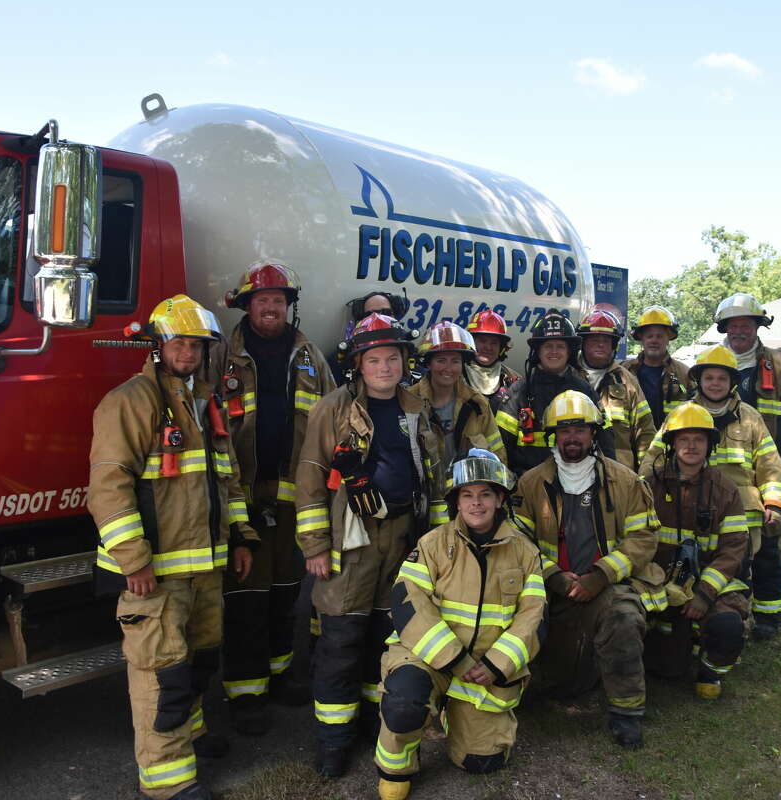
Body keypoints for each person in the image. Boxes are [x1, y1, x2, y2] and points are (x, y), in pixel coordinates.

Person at [88, 295, 257, 800]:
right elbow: (108, 488)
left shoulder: (205, 403)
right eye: (179, 343)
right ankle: (167, 781)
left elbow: (226, 480)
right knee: (163, 676)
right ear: (158, 346)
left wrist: (241, 537)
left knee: (198, 662)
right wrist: (134, 560)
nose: (188, 352)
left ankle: (192, 736)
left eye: (197, 345)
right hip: (155, 574)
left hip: (204, 565)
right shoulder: (131, 401)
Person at [295, 312, 447, 778]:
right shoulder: (333, 408)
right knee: (341, 641)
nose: (385, 367)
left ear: (405, 361)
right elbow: (310, 477)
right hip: (352, 541)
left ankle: (368, 723)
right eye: (375, 359)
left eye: (392, 358)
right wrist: (315, 545)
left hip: (403, 538)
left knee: (385, 637)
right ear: (358, 365)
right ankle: (333, 742)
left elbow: (434, 479)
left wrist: (436, 544)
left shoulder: (416, 407)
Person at [208, 261, 337, 734]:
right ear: (247, 305)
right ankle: (246, 694)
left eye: (278, 301)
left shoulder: (309, 356)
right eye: (262, 300)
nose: (270, 308)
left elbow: (333, 416)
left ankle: (280, 676)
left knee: (285, 592)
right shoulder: (221, 356)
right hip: (240, 497)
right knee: (246, 597)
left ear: (288, 306)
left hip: (292, 500)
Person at [373, 449, 546, 800]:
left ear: (500, 499)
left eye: (485, 494)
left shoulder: (525, 552)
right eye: (467, 495)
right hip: (429, 658)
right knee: (404, 703)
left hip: (485, 670)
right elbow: (407, 601)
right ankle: (397, 766)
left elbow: (534, 617)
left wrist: (496, 665)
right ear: (457, 502)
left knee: (483, 763)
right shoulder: (432, 544)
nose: (476, 503)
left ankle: (455, 714)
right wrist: (454, 659)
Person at [512, 391, 667, 750]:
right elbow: (519, 543)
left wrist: (601, 576)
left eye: (580, 430)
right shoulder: (531, 485)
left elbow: (643, 537)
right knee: (562, 682)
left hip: (606, 587)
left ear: (594, 433)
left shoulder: (625, 481)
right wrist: (553, 576)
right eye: (564, 430)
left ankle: (626, 713)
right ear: (553, 436)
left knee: (624, 616)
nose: (572, 438)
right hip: (550, 591)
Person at [647, 345, 781, 640]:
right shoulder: (682, 415)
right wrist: (640, 495)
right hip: (688, 506)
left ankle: (745, 620)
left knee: (742, 567)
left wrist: (774, 503)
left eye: (722, 378)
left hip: (743, 513)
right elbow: (655, 458)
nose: (715, 384)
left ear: (732, 382)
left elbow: (770, 464)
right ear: (699, 380)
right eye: (709, 378)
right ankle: (691, 625)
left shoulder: (750, 417)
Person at [713, 293, 781, 638]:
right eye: (733, 325)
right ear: (724, 328)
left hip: (768, 469)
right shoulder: (713, 361)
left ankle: (768, 615)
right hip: (726, 473)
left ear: (757, 327)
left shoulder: (776, 364)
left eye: (746, 325)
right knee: (726, 544)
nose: (739, 331)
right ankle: (729, 611)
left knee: (767, 544)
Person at [642, 403, 751, 700]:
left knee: (727, 625)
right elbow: (636, 541)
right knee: (667, 668)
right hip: (658, 584)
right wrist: (657, 586)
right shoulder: (649, 487)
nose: (691, 446)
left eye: (699, 439)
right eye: (684, 439)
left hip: (708, 583)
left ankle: (710, 671)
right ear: (672, 444)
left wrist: (704, 593)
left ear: (709, 445)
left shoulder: (726, 491)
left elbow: (733, 550)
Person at [496, 310, 612, 477]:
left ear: (569, 352)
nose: (554, 352)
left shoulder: (584, 390)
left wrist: (608, 480)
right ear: (538, 351)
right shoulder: (519, 391)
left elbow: (605, 440)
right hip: (528, 483)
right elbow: (501, 445)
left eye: (560, 346)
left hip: (577, 482)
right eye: (548, 346)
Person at [410, 321, 506, 466]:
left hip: (465, 481)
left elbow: (498, 454)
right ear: (429, 363)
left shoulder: (477, 404)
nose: (448, 368)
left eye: (455, 361)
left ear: (462, 365)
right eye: (441, 360)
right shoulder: (409, 400)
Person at [577, 307, 656, 471]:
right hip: (575, 472)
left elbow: (645, 433)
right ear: (583, 343)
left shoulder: (627, 381)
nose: (600, 344)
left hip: (618, 475)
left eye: (606, 340)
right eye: (594, 339)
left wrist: (646, 474)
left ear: (614, 346)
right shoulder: (569, 376)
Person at [624, 306, 692, 428]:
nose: (654, 340)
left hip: (670, 437)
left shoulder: (684, 374)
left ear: (668, 339)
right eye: (649, 336)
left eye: (659, 336)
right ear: (642, 339)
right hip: (634, 437)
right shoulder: (625, 371)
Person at [464, 309, 521, 412]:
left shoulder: (513, 380)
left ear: (501, 348)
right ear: (471, 342)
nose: (488, 347)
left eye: (494, 342)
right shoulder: (455, 375)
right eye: (482, 341)